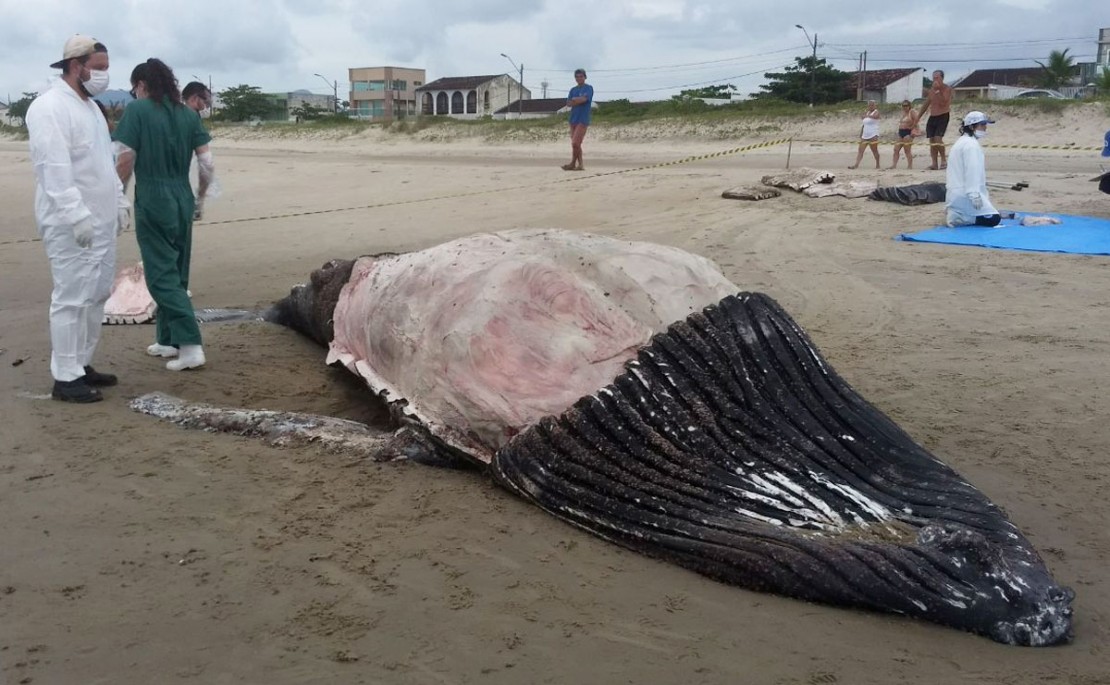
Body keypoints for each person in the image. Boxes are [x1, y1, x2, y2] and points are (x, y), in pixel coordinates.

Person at [26, 34, 131, 403]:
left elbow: (105, 163)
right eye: (98, 68)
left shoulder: (91, 109)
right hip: (70, 223)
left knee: (98, 293)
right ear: (76, 65)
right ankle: (65, 376)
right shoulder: (49, 107)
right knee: (71, 296)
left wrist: (118, 201)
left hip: (101, 220)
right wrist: (75, 214)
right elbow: (52, 168)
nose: (103, 75)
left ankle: (82, 363)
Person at [113, 58, 215, 371]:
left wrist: (117, 196)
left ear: (141, 85)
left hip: (153, 198)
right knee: (177, 270)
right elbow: (207, 165)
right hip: (182, 197)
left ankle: (190, 345)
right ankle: (168, 339)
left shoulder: (137, 111)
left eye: (134, 89)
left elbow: (126, 158)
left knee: (160, 277)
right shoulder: (189, 114)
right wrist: (199, 199)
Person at [945, 111, 1001, 228]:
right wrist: (973, 194)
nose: (985, 128)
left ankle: (960, 213)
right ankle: (962, 217)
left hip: (957, 193)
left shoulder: (963, 142)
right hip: (965, 193)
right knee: (994, 219)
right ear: (971, 127)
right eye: (982, 125)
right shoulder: (971, 145)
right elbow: (971, 171)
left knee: (992, 215)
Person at [917, 70, 954, 170]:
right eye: (934, 78)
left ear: (942, 78)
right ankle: (934, 163)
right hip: (933, 116)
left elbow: (943, 102)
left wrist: (938, 90)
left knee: (938, 138)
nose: (935, 80)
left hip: (943, 115)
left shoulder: (947, 89)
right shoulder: (932, 90)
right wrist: (917, 117)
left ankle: (943, 160)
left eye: (937, 78)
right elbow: (926, 104)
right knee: (932, 140)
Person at [562, 68, 593, 171]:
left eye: (581, 76)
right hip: (573, 119)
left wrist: (576, 99)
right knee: (576, 144)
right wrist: (577, 100)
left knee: (575, 143)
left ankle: (572, 163)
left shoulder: (589, 88)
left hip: (582, 119)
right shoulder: (573, 90)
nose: (579, 78)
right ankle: (579, 165)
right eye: (577, 77)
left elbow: (585, 99)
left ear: (585, 77)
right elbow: (569, 103)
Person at [848, 100, 881, 170]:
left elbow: (876, 116)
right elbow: (864, 123)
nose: (870, 106)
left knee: (874, 150)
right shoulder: (867, 112)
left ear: (875, 106)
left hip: (873, 134)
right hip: (865, 134)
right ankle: (856, 165)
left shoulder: (876, 112)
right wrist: (861, 133)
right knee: (860, 150)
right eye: (869, 105)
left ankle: (878, 164)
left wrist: (867, 116)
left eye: (872, 105)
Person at [890, 100, 919, 169]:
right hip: (901, 132)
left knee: (907, 150)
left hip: (908, 132)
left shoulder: (912, 112)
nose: (904, 107)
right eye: (903, 105)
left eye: (906, 105)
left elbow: (916, 121)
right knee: (896, 149)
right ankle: (894, 165)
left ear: (909, 106)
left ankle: (909, 165)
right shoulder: (903, 113)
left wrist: (912, 129)